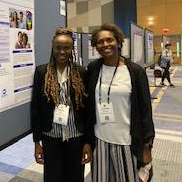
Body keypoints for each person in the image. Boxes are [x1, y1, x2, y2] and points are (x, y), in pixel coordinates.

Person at [86, 23, 155, 182]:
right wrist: (87, 141)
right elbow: (88, 107)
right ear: (96, 46)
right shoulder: (93, 69)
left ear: (118, 41)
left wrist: (147, 146)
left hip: (127, 142)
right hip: (100, 140)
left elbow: (145, 110)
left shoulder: (135, 72)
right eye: (100, 42)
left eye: (109, 40)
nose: (105, 45)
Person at [31, 27, 93, 182]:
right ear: (53, 48)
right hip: (51, 136)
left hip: (76, 137)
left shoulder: (80, 72)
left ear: (72, 49)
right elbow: (35, 109)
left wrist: (87, 142)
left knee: (75, 177)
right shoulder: (41, 72)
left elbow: (88, 111)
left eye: (66, 48)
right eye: (58, 48)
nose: (62, 52)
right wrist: (37, 142)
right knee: (53, 177)